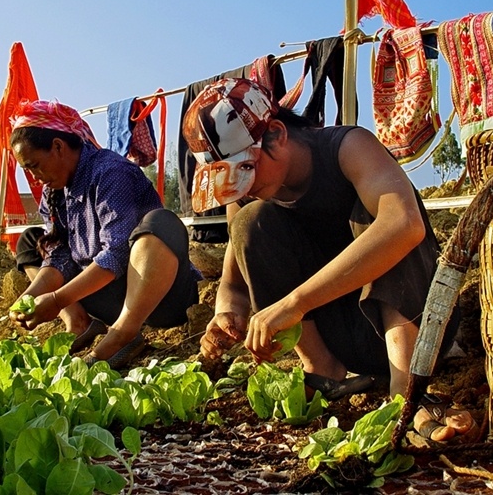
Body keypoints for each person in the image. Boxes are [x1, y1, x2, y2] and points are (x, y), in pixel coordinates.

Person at [182, 78, 474, 441]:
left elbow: (405, 225)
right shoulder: (247, 198)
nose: (245, 186)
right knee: (250, 222)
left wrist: (295, 303)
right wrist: (225, 313)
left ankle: (407, 390)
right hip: (342, 339)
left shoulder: (348, 147)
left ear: (277, 133)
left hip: (413, 329)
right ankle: (321, 366)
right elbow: (232, 283)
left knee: (386, 215)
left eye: (246, 169)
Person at [7, 99, 201, 368]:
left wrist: (56, 299)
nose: (35, 177)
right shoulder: (55, 191)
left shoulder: (110, 172)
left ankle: (123, 333)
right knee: (34, 240)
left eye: (34, 165)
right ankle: (78, 322)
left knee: (160, 224)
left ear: (58, 147)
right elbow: (59, 257)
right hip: (108, 298)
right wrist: (30, 299)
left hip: (159, 300)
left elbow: (118, 252)